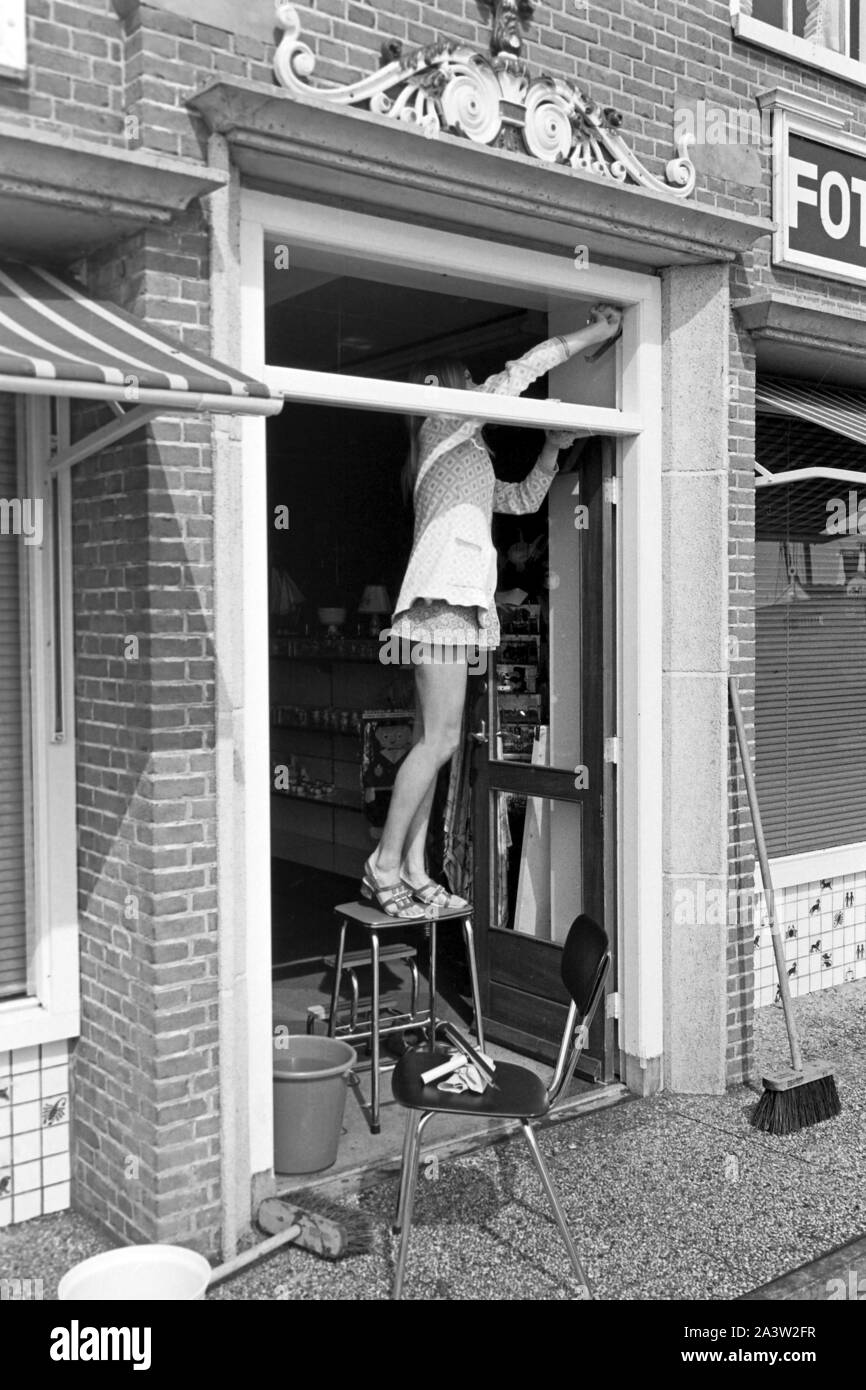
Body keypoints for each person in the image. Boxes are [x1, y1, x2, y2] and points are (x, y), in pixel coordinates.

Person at [361, 303, 623, 918]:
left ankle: (416, 866)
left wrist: (553, 447)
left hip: (451, 607)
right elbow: (522, 371)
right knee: (442, 739)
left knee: (434, 741)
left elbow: (527, 499)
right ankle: (383, 864)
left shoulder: (467, 453)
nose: (477, 389)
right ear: (441, 390)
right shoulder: (443, 426)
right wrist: (595, 333)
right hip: (441, 606)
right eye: (464, 381)